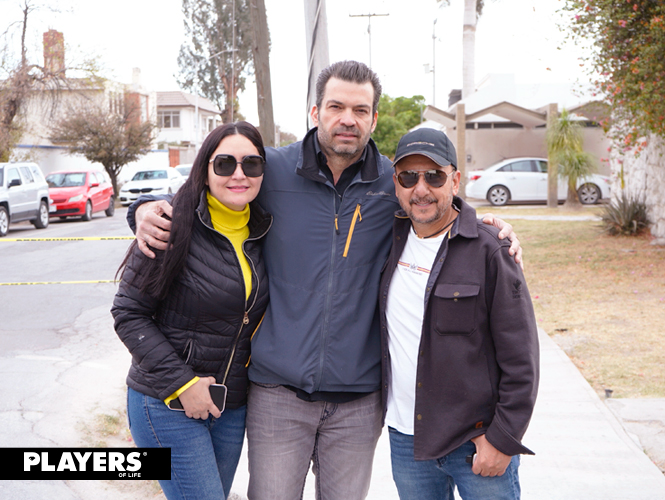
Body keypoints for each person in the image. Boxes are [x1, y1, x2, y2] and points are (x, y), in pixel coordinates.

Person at [126, 61, 523, 500]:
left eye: (360, 109)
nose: (347, 119)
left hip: (358, 400)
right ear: (315, 112)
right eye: (335, 106)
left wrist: (489, 227)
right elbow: (207, 188)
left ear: (374, 118)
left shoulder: (393, 184)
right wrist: (143, 209)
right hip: (277, 393)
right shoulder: (271, 171)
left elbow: (437, 202)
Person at [111, 121, 272, 500]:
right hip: (165, 402)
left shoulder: (263, 232)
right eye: (224, 164)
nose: (238, 174)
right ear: (205, 168)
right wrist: (183, 385)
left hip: (228, 408)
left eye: (251, 164)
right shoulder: (171, 225)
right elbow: (128, 313)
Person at [379, 128, 539, 500]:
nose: (421, 189)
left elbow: (522, 358)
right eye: (409, 177)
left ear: (455, 179)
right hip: (407, 442)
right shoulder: (387, 240)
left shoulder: (491, 251)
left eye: (434, 176)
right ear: (396, 184)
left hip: (477, 442)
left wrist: (503, 439)